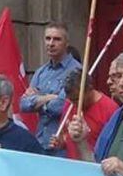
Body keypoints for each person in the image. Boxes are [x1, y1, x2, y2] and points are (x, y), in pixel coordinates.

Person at [21, 22, 81, 157]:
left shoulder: (76, 71)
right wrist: (49, 97)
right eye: (48, 38)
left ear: (66, 43)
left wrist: (37, 101)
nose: (51, 43)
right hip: (41, 141)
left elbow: (59, 106)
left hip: (62, 146)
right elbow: (23, 105)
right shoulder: (41, 72)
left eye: (57, 39)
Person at [53, 69, 118, 160]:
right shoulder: (70, 103)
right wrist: (61, 142)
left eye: (77, 99)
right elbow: (65, 136)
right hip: (72, 166)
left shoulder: (111, 109)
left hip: (95, 167)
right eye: (70, 99)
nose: (74, 103)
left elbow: (113, 148)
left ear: (89, 89)